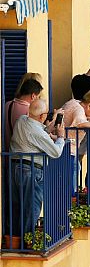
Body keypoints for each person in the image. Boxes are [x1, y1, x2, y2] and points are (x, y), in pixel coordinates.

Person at [10, 98, 67, 235]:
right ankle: (28, 241)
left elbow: (38, 130)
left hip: (16, 167)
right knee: (32, 207)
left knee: (17, 206)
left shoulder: (22, 120)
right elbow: (55, 152)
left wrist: (51, 125)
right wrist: (60, 137)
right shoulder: (38, 132)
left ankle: (17, 239)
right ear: (42, 116)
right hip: (32, 171)